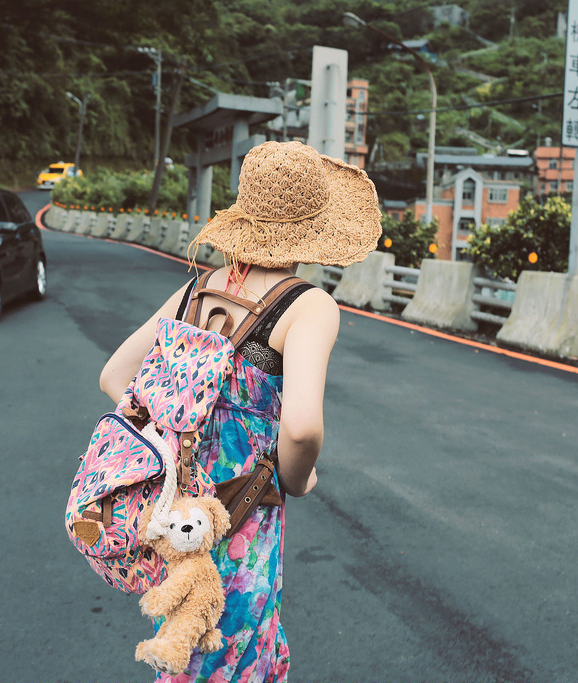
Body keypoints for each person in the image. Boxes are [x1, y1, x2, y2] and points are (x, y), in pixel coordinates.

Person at [98, 140, 381, 682]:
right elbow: (300, 427)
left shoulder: (196, 292)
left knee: (190, 650)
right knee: (237, 649)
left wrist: (175, 439)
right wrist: (296, 479)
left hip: (178, 517)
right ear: (314, 228)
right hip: (241, 519)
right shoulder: (306, 305)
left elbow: (115, 376)